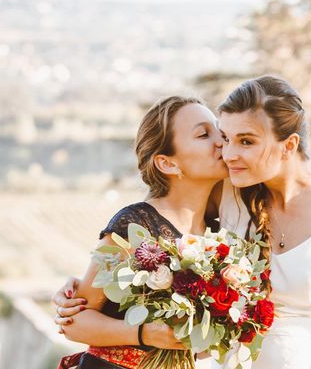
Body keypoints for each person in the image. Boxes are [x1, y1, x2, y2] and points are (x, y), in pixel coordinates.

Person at [55, 75, 311, 369]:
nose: (227, 152)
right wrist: (88, 283)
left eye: (245, 141)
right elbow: (166, 223)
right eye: (223, 137)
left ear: (289, 145)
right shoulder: (229, 192)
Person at [53, 95, 228, 368]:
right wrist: (144, 333)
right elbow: (75, 322)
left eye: (219, 130)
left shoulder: (221, 233)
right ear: (167, 163)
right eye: (204, 134)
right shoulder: (134, 224)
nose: (220, 141)